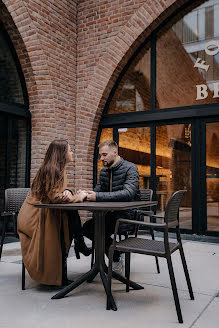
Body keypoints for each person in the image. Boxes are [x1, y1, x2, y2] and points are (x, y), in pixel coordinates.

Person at [17, 140, 91, 287]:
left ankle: (77, 244)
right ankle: (78, 242)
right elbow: (55, 198)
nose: (72, 153)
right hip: (35, 215)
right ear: (62, 154)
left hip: (45, 211)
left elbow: (58, 194)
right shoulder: (52, 170)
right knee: (69, 218)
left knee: (70, 216)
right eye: (70, 150)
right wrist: (80, 196)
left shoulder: (58, 169)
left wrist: (68, 192)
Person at [83, 140, 140, 265]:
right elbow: (97, 191)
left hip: (126, 216)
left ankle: (114, 258)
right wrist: (85, 195)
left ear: (115, 153)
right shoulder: (104, 171)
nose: (101, 158)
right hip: (108, 215)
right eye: (100, 155)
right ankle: (115, 255)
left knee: (97, 230)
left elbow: (128, 193)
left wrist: (97, 196)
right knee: (87, 228)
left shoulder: (131, 168)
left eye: (104, 155)